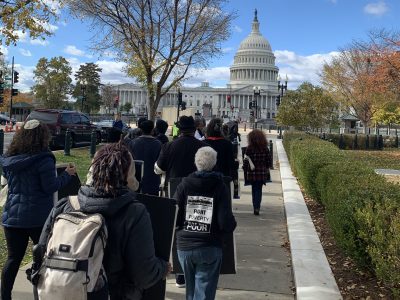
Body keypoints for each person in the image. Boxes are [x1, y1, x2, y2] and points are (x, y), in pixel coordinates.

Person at [38, 142, 171, 299]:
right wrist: (163, 268)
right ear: (128, 174)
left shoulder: (65, 205)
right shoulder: (134, 213)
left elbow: (41, 252)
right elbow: (144, 274)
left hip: (65, 292)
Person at [0, 119, 76, 300]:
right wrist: (67, 175)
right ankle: (41, 294)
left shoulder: (9, 159)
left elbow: (8, 179)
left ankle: (5, 296)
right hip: (38, 217)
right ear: (43, 136)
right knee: (42, 259)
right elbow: (50, 186)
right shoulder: (45, 158)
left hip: (12, 216)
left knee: (13, 259)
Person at [173, 146, 237, 300]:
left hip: (185, 246)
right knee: (204, 293)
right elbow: (225, 221)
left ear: (196, 163)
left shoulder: (183, 185)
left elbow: (174, 213)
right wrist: (231, 225)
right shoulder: (220, 186)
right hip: (210, 246)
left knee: (190, 290)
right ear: (214, 164)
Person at [154, 115, 206, 287]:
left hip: (174, 192)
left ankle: (180, 274)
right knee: (197, 230)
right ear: (193, 129)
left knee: (177, 233)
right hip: (197, 192)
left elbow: (158, 169)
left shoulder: (168, 146)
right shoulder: (202, 146)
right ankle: (195, 269)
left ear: (179, 129)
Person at [126, 120, 162, 195]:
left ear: (141, 130)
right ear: (152, 130)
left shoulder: (133, 143)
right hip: (153, 181)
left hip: (136, 180)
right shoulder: (158, 144)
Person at [242, 129, 272, 215]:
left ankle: (255, 206)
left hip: (252, 173)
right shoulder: (265, 148)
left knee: (253, 189)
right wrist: (266, 167)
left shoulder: (249, 148)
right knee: (259, 189)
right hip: (262, 173)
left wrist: (244, 168)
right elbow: (269, 161)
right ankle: (257, 207)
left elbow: (246, 161)